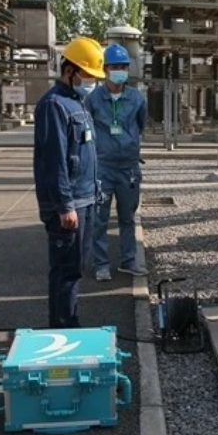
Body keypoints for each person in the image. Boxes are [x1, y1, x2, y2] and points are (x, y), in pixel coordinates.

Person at [33, 36, 105, 328]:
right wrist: (65, 205)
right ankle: (63, 331)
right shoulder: (54, 105)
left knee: (75, 270)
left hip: (85, 199)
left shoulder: (76, 102)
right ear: (70, 70)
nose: (91, 81)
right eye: (88, 74)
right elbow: (54, 161)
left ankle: (70, 324)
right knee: (65, 273)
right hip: (69, 204)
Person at [86, 43, 148, 281]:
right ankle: (101, 264)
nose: (119, 70)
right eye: (114, 66)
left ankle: (128, 261)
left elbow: (140, 125)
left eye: (123, 66)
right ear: (105, 68)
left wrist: (128, 143)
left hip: (129, 168)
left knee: (127, 217)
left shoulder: (136, 98)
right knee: (99, 218)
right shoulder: (93, 99)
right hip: (102, 167)